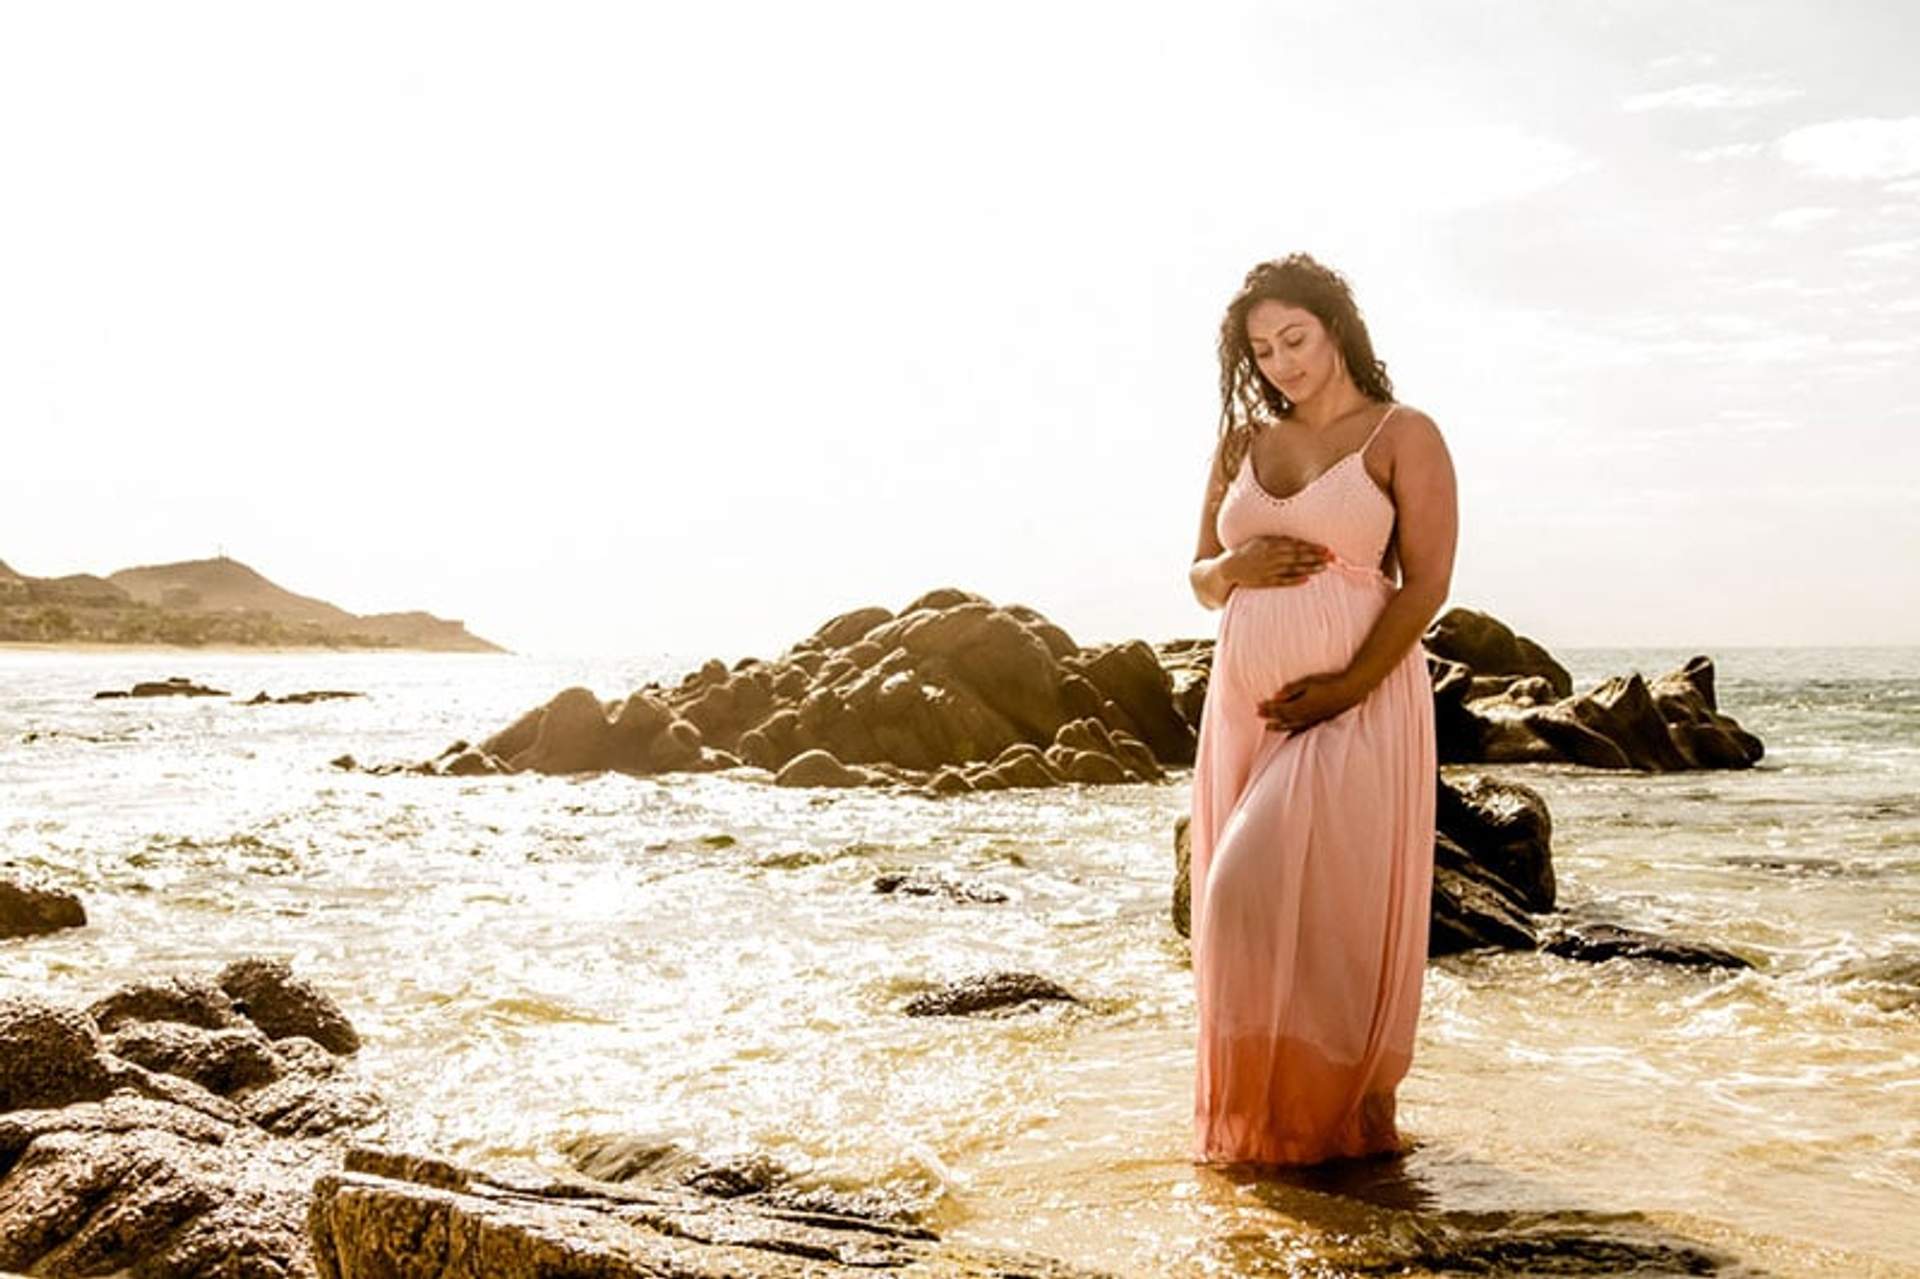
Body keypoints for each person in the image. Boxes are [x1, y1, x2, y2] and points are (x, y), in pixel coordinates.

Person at [1186, 253, 1458, 1166]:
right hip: (1246, 709)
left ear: (1336, 327)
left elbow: (1425, 586)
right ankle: (1283, 1131)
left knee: (1254, 893)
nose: (1282, 362)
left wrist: (1346, 687)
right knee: (1275, 913)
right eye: (1263, 350)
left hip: (1357, 701)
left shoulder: (1401, 434)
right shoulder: (1241, 447)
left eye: (1294, 338)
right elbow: (1199, 580)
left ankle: (1339, 1104)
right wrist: (1236, 568)